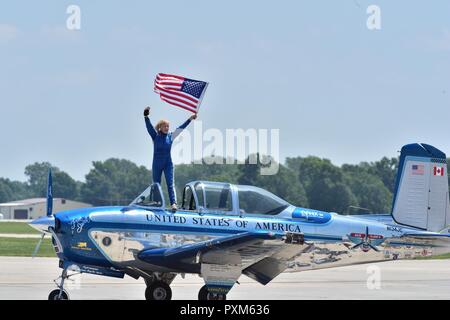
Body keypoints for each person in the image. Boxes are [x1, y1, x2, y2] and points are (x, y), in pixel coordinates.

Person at [144, 106, 197, 210]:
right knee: (156, 185)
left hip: (168, 164)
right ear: (160, 127)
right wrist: (146, 117)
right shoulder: (155, 136)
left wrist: (190, 119)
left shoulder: (171, 136)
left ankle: (173, 204)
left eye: (168, 126)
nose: (167, 128)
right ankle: (156, 203)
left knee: (170, 184)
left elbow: (181, 128)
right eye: (165, 126)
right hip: (157, 164)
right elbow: (149, 127)